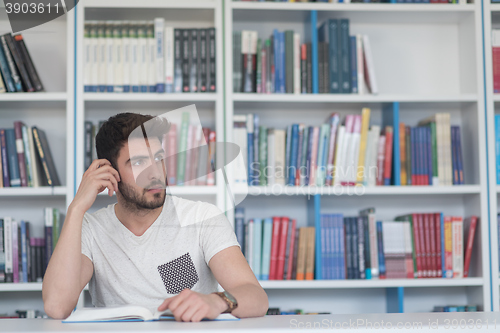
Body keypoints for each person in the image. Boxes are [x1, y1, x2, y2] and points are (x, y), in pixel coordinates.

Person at [42, 112, 268, 322]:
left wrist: (217, 301)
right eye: (139, 162)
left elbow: (256, 298)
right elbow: (57, 306)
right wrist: (76, 208)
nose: (155, 173)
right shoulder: (91, 229)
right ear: (110, 173)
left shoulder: (202, 218)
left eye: (159, 158)